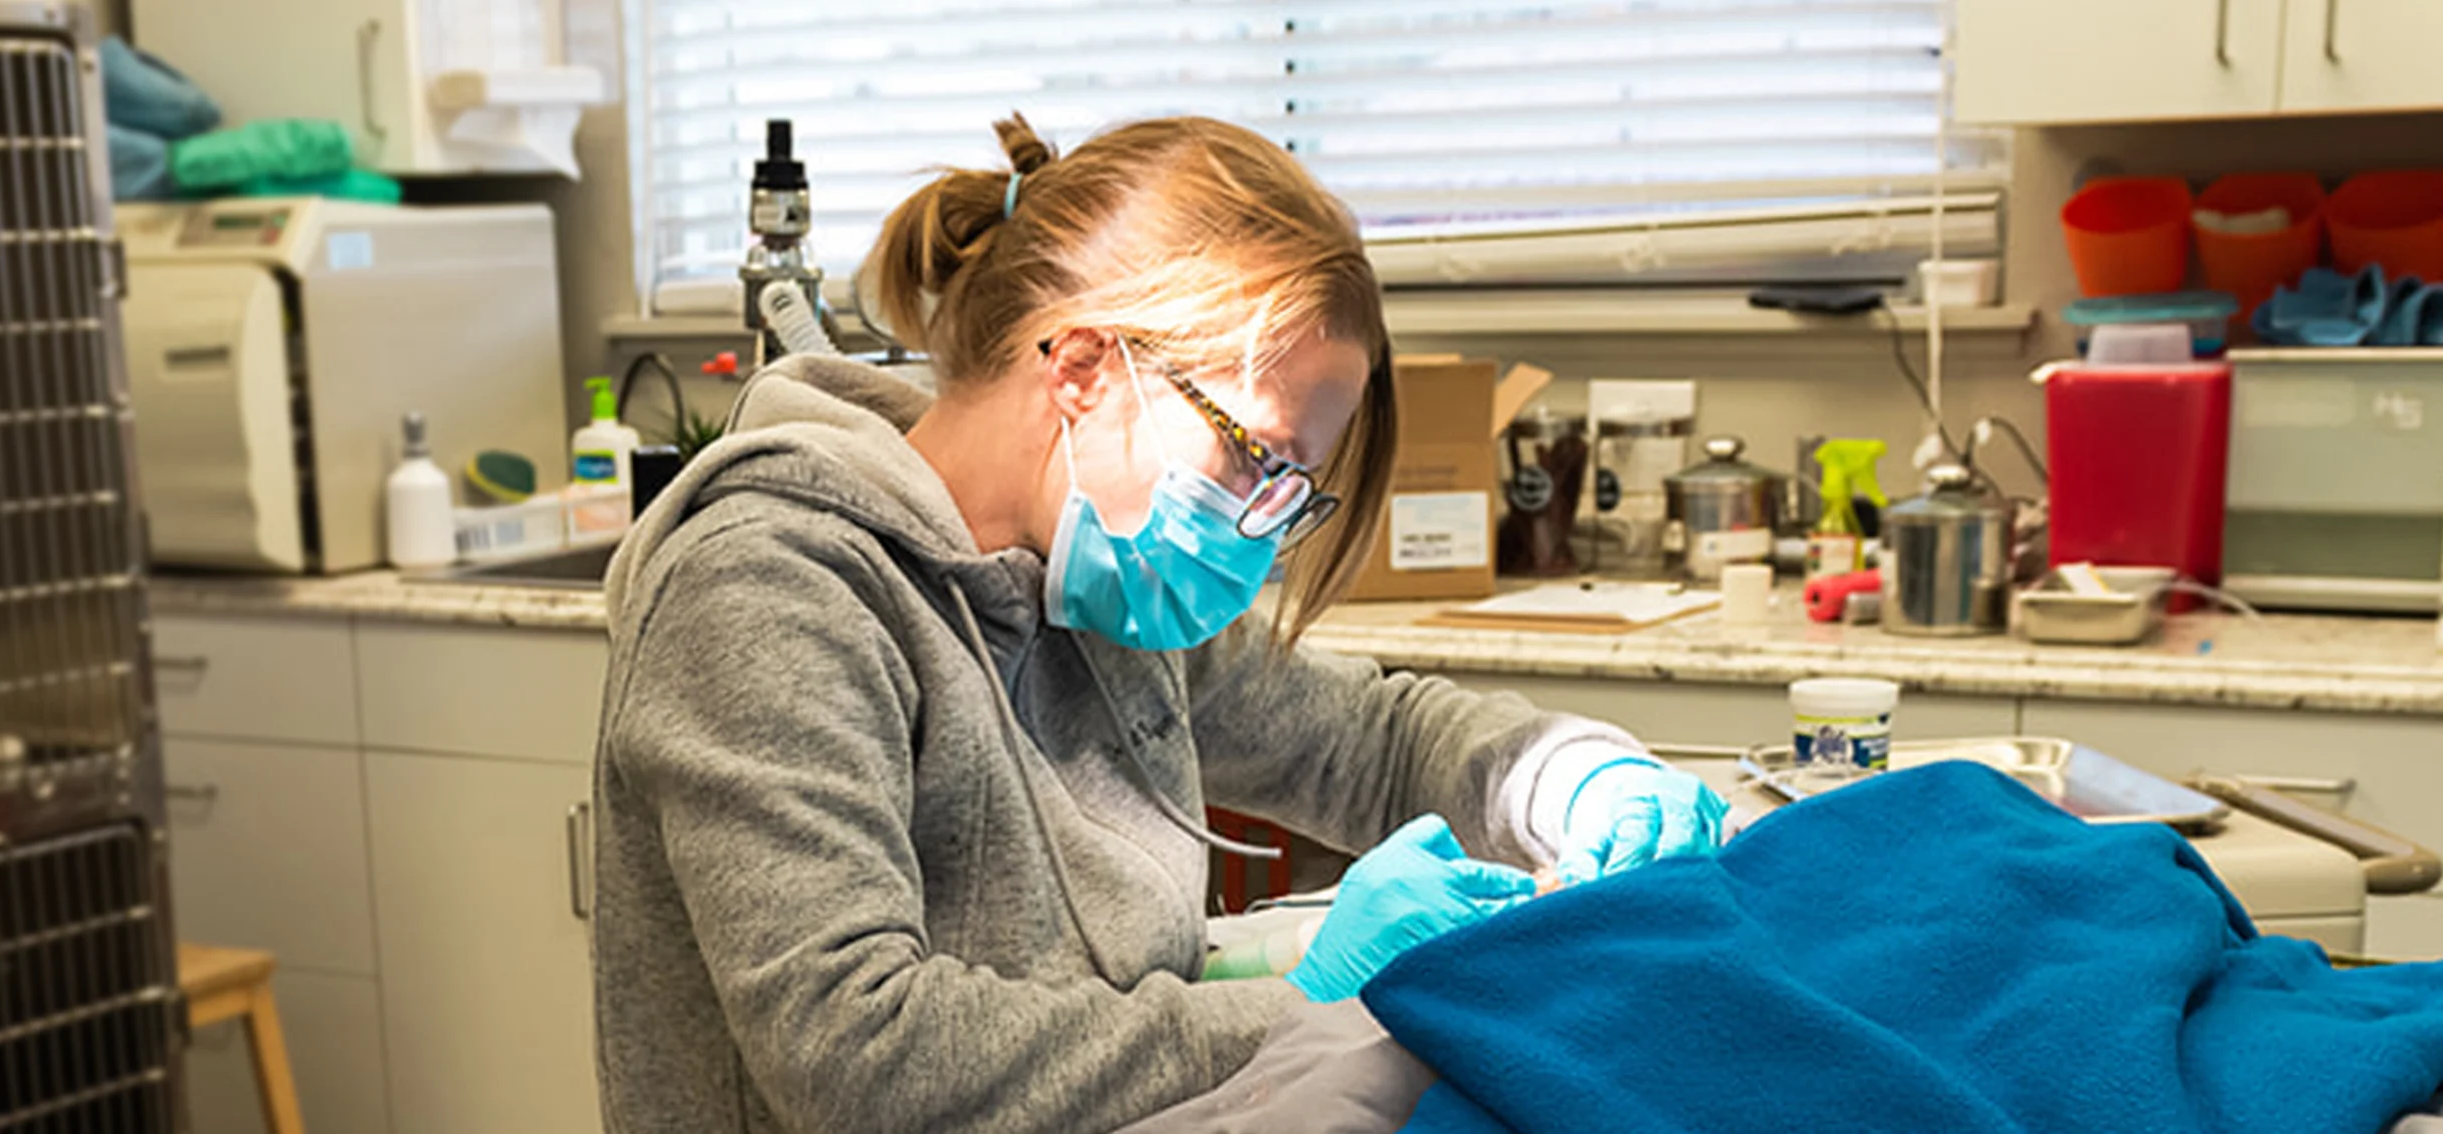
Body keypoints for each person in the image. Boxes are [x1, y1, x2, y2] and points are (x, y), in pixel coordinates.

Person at [592, 114, 1728, 1134]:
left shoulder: (1082, 582)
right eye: (1252, 457)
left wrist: (1567, 777)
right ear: (1085, 367)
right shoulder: (772, 589)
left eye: (1294, 484)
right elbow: (860, 1061)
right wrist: (1302, 1004)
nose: (1260, 523)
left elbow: (1367, 742)